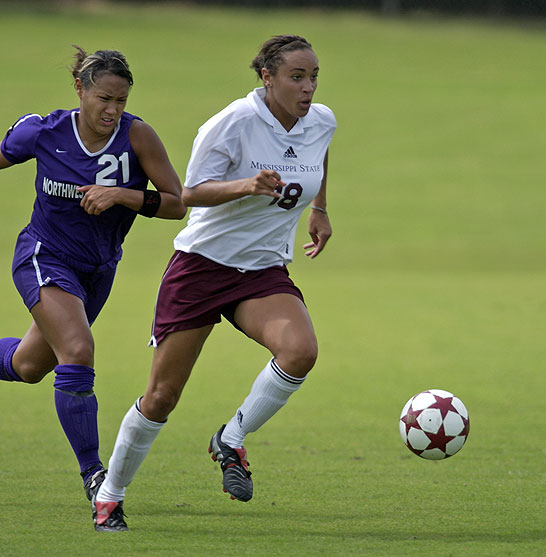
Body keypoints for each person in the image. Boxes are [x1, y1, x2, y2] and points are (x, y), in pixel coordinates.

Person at [93, 34, 337, 531]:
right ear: (267, 77)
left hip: (262, 270)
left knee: (300, 351)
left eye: (313, 77)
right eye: (297, 77)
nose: (308, 87)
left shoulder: (322, 121)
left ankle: (230, 438)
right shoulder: (233, 124)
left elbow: (318, 156)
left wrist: (320, 208)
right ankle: (110, 496)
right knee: (162, 396)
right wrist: (246, 185)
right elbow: (189, 193)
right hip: (202, 267)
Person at [0, 46, 186, 513]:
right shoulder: (44, 132)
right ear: (80, 89)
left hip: (98, 270)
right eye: (103, 98)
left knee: (29, 366)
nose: (111, 110)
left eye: (120, 101)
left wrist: (121, 195)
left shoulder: (137, 137)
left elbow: (177, 203)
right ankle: (94, 476)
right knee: (79, 352)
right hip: (43, 256)